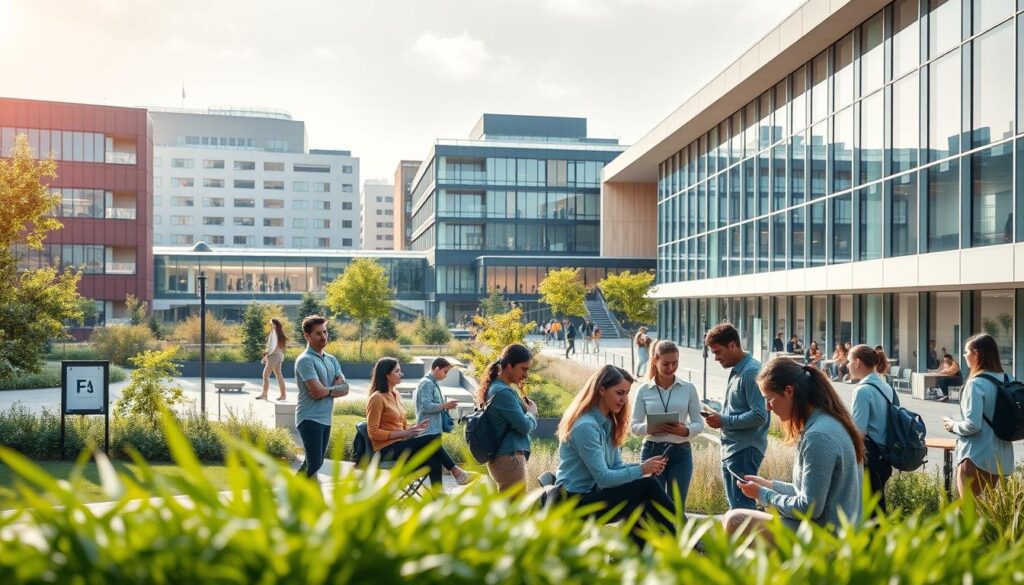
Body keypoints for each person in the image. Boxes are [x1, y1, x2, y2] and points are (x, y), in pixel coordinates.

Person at [723, 358, 864, 538]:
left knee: (735, 520)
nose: (767, 407)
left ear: (789, 391)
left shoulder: (818, 436)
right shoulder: (830, 424)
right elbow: (811, 491)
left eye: (769, 399)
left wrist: (763, 495)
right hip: (835, 531)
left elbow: (809, 507)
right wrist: (769, 485)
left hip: (826, 538)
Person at [556, 364, 677, 548]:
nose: (624, 399)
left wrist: (645, 466)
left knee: (642, 501)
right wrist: (642, 470)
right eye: (620, 393)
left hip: (592, 496)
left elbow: (615, 467)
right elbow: (604, 478)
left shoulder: (608, 424)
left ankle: (634, 558)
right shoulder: (586, 426)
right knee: (648, 485)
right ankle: (687, 538)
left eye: (627, 393)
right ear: (602, 389)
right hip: (573, 502)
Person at [366, 357, 476, 488]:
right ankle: (456, 472)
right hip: (386, 450)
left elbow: (400, 425)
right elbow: (373, 433)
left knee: (433, 457)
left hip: (400, 444)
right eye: (397, 371)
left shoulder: (394, 395)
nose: (401, 374)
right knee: (432, 440)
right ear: (386, 374)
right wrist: (404, 432)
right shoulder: (377, 398)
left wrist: (414, 428)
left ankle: (437, 497)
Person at [703, 323, 770, 510]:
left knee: (742, 512)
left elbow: (759, 415)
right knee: (738, 510)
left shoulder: (750, 372)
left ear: (732, 345)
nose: (716, 358)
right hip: (734, 449)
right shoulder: (739, 369)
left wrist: (723, 420)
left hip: (744, 450)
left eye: (717, 352)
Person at [630, 340, 703, 509]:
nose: (670, 368)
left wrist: (685, 431)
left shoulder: (688, 388)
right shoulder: (644, 390)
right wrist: (652, 428)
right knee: (654, 505)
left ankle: (677, 535)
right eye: (666, 364)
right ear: (655, 361)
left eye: (675, 363)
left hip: (681, 453)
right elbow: (634, 426)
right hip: (652, 451)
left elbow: (699, 423)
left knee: (677, 506)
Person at [942, 333, 1015, 497]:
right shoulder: (1008, 379)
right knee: (990, 514)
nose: (964, 356)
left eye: (966, 352)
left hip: (976, 457)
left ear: (977, 354)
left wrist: (953, 425)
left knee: (967, 513)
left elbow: (973, 425)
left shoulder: (975, 384)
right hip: (1001, 459)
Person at [477, 344, 539, 492]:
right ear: (509, 366)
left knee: (508, 509)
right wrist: (532, 413)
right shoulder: (502, 392)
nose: (526, 375)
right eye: (523, 369)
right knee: (515, 511)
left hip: (505, 458)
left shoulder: (498, 387)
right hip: (509, 459)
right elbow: (524, 426)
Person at [294, 315, 350, 477]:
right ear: (307, 336)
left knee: (313, 463)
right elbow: (316, 391)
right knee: (315, 463)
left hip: (325, 418)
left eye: (325, 332)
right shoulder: (305, 360)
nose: (324, 337)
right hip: (309, 418)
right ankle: (292, 493)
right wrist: (333, 388)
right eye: (318, 333)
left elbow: (345, 388)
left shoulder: (332, 360)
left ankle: (297, 495)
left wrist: (327, 390)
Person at [847, 344, 893, 516]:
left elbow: (858, 431)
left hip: (869, 457)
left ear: (858, 362)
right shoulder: (886, 387)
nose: (847, 365)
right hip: (885, 456)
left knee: (868, 512)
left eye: (849, 361)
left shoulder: (862, 391)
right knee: (877, 508)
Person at [414, 357, 460, 436]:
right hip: (428, 431)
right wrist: (443, 405)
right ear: (437, 369)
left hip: (434, 430)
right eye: (445, 372)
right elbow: (425, 407)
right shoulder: (427, 383)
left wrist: (445, 405)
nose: (446, 376)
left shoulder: (433, 382)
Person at [257, 318, 288, 400]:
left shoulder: (274, 332)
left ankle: (264, 394)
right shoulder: (279, 333)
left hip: (274, 356)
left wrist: (266, 355)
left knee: (265, 374)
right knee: (279, 375)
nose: (270, 325)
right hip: (279, 355)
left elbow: (272, 346)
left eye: (271, 323)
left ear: (275, 325)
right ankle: (283, 395)